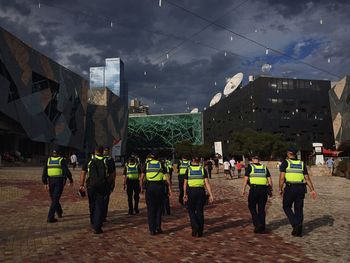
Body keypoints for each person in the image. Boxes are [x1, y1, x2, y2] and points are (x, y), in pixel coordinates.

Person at [279, 147, 317, 237]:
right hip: (301, 188)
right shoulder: (301, 163)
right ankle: (299, 230)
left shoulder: (286, 162)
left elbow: (281, 178)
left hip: (290, 188)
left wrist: (280, 189)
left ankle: (296, 225)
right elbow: (307, 178)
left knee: (286, 206)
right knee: (299, 208)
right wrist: (312, 189)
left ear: (288, 153)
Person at [79, 146, 114, 234]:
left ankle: (92, 220)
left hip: (90, 185)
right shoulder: (108, 161)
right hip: (102, 186)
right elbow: (112, 175)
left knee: (92, 203)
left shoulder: (89, 160)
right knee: (100, 204)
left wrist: (81, 185)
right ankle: (97, 226)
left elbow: (83, 173)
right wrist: (109, 184)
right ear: (103, 152)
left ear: (95, 151)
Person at [140, 152, 172, 235]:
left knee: (150, 209)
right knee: (159, 208)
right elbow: (167, 177)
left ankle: (152, 229)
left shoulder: (147, 164)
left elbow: (142, 177)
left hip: (150, 187)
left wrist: (141, 187)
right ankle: (158, 227)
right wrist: (169, 188)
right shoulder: (161, 164)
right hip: (159, 188)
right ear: (158, 157)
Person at [241, 155, 272, 233]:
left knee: (251, 206)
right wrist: (270, 190)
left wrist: (243, 189)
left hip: (254, 189)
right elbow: (269, 180)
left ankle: (258, 224)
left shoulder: (250, 167)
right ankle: (262, 226)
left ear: (252, 160)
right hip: (264, 190)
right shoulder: (264, 167)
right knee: (261, 209)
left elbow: (245, 179)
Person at [183, 157, 214, 237]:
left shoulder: (188, 169)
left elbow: (185, 183)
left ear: (192, 160)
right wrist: (210, 194)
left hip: (191, 191)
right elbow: (207, 183)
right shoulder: (202, 169)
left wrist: (184, 194)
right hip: (200, 191)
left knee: (191, 210)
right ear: (199, 161)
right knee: (200, 211)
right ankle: (200, 231)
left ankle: (195, 226)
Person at [42, 148, 73, 223]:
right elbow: (66, 171)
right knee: (55, 198)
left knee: (54, 198)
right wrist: (70, 179)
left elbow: (44, 171)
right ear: (59, 153)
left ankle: (59, 212)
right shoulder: (61, 160)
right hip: (59, 181)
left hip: (51, 180)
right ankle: (50, 217)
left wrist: (45, 182)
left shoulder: (48, 160)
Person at [103, 147, 116, 221]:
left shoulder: (96, 159)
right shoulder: (110, 160)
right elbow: (113, 173)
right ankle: (103, 215)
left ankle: (96, 216)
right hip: (107, 182)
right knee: (105, 199)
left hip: (98, 182)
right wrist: (113, 182)